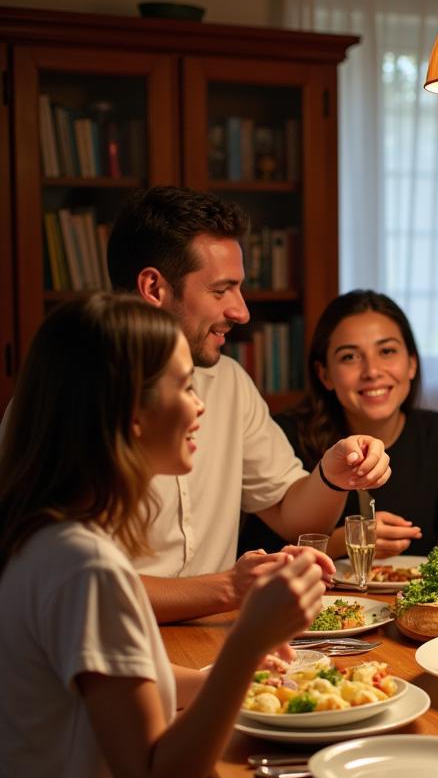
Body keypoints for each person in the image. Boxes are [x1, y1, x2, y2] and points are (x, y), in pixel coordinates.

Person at [0, 294, 326, 778]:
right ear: (129, 413)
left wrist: (205, 678)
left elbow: (106, 688)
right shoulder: (86, 567)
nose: (200, 403)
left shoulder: (48, 539)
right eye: (182, 385)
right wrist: (245, 645)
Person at [105, 186, 391, 622]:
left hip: (216, 635)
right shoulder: (73, 394)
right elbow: (75, 582)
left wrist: (333, 473)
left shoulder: (228, 382)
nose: (242, 312)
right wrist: (226, 588)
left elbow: (290, 514)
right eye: (223, 290)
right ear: (153, 287)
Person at [240, 290, 438, 558]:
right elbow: (255, 556)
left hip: (413, 599)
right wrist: (345, 541)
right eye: (350, 357)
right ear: (325, 375)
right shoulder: (284, 434)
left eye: (387, 351)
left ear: (411, 364)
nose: (372, 371)